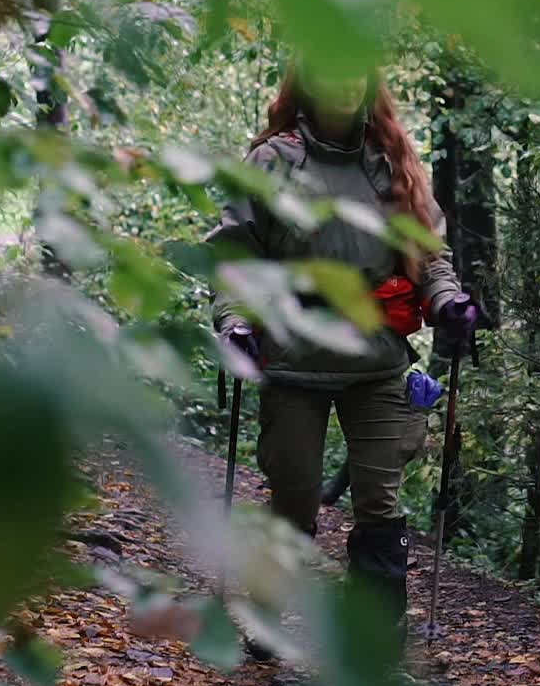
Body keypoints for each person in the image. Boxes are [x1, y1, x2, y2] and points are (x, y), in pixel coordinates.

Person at [205, 58, 478, 655]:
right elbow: (234, 255)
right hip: (293, 359)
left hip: (377, 363)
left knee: (380, 502)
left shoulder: (392, 165)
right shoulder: (273, 162)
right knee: (293, 499)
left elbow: (430, 258)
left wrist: (450, 302)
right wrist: (234, 322)